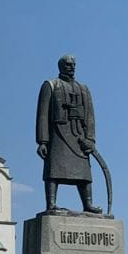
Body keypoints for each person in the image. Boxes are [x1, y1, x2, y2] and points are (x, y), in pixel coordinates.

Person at [36, 55, 102, 213]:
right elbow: (42, 115)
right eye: (68, 64)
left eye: (74, 64)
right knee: (53, 170)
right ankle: (51, 203)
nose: (72, 67)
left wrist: (90, 139)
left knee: (84, 171)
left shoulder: (83, 89)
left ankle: (88, 204)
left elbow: (90, 117)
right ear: (60, 66)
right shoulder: (51, 85)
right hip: (58, 135)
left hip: (79, 136)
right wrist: (42, 141)